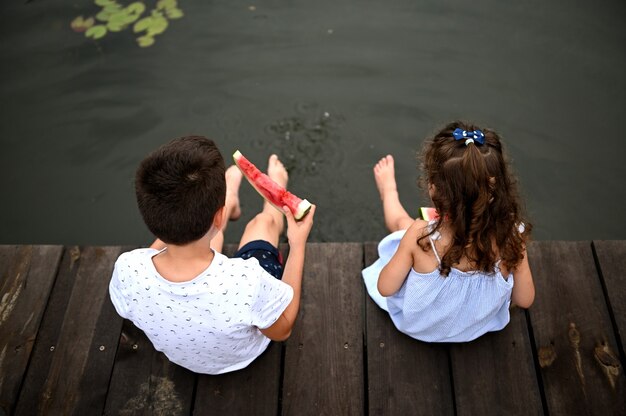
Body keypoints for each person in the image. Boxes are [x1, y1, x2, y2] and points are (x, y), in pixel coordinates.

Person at [109, 135, 315, 374]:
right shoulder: (248, 280)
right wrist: (297, 244)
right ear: (217, 216)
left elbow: (130, 298)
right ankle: (269, 186)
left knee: (202, 241)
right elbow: (284, 328)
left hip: (183, 359)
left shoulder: (127, 269)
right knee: (263, 223)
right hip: (244, 356)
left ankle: (230, 201)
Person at [362, 121, 535, 343]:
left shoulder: (419, 236)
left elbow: (385, 288)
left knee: (402, 223)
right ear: (498, 190)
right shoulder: (512, 237)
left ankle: (389, 192)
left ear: (433, 188)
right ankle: (390, 193)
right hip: (475, 328)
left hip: (418, 327)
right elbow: (525, 298)